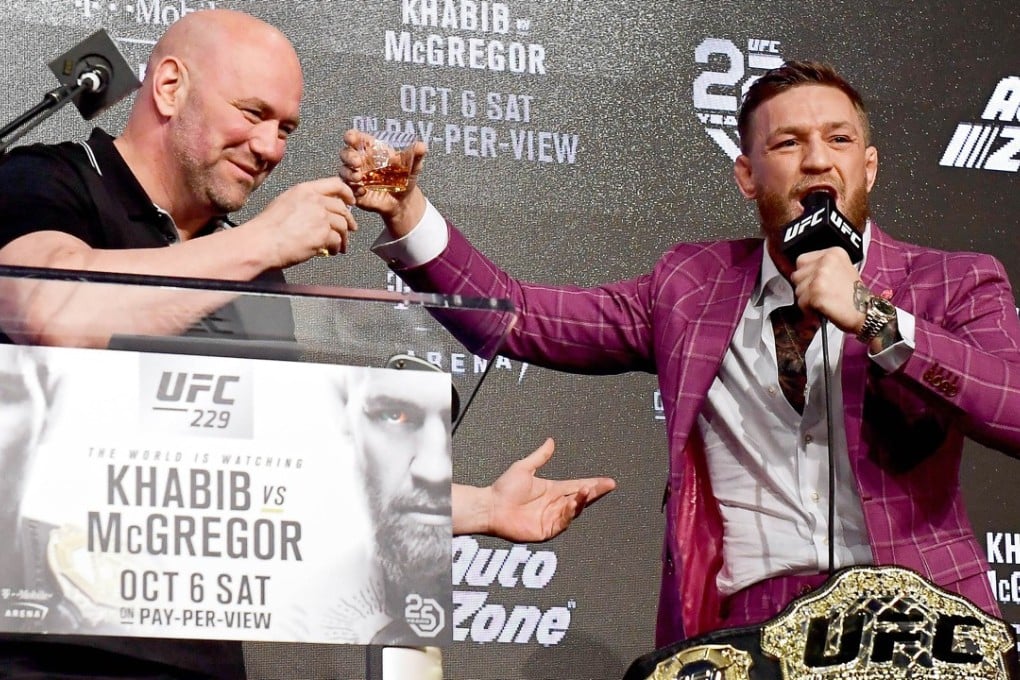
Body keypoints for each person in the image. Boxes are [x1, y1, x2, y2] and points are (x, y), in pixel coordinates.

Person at [0, 8, 614, 678]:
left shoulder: (258, 275)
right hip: (41, 646)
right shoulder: (49, 179)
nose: (269, 148)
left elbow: (281, 481)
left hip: (196, 655)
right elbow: (50, 311)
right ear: (170, 87)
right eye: (251, 112)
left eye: (285, 128)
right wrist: (260, 238)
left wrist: (479, 506)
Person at [341, 59, 1020, 648]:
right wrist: (406, 213)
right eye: (789, 142)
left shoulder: (953, 283)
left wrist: (875, 317)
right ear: (747, 176)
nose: (818, 159)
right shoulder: (691, 289)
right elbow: (518, 317)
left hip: (921, 622)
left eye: (838, 139)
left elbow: (1013, 408)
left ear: (867, 166)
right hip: (750, 629)